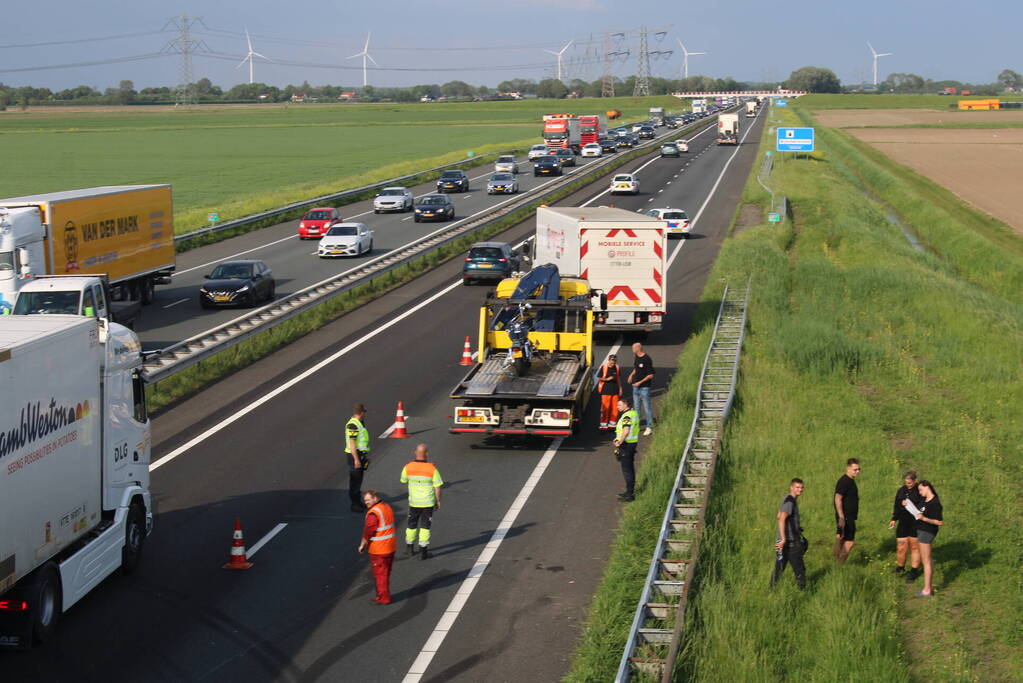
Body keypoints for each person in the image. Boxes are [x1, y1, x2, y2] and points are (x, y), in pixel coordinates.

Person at [400, 443, 444, 560]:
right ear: (427, 454)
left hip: (414, 502)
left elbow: (403, 480)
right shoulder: (432, 468)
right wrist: (438, 501)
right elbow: (438, 486)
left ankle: (409, 548)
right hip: (428, 503)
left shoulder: (408, 467)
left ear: (415, 452)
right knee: (425, 526)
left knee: (411, 525)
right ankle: (423, 552)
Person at [358, 490, 396, 605]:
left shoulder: (373, 513)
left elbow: (369, 530)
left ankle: (383, 598)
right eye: (365, 500)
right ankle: (384, 594)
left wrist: (362, 544)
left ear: (375, 498)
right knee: (386, 573)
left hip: (379, 550)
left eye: (368, 500)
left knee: (380, 575)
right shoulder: (386, 507)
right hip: (390, 547)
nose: (366, 503)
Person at [906, 479, 943, 597]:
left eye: (921, 490)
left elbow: (939, 522)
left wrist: (924, 519)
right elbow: (918, 511)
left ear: (927, 487)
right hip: (921, 531)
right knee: (926, 560)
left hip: (927, 532)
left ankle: (927, 590)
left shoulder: (935, 503)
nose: (920, 492)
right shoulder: (924, 500)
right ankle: (929, 586)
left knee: (926, 561)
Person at [771, 478, 806, 589]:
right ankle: (803, 592)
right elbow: (781, 519)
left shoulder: (786, 498)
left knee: (779, 568)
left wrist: (794, 526)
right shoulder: (790, 502)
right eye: (797, 487)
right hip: (790, 543)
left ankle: (772, 589)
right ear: (791, 487)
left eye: (801, 487)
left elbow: (778, 515)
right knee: (800, 570)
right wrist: (784, 539)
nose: (800, 490)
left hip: (783, 543)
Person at [889, 470, 923, 581]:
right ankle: (900, 567)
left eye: (910, 482)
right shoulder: (901, 491)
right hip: (903, 522)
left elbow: (923, 506)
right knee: (901, 547)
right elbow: (897, 505)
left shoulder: (919, 490)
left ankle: (914, 571)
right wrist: (894, 518)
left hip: (915, 522)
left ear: (914, 481)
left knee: (914, 546)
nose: (908, 484)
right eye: (906, 482)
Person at [833, 458, 861, 563]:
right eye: (855, 469)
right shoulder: (844, 481)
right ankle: (840, 565)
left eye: (859, 469)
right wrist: (841, 517)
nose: (857, 471)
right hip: (846, 517)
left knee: (840, 538)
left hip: (846, 516)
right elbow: (837, 498)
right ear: (848, 468)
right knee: (849, 542)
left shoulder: (849, 480)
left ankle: (835, 561)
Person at [612, 397, 639, 502]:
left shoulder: (627, 416)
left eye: (619, 405)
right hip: (631, 444)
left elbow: (626, 431)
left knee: (627, 471)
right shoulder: (634, 413)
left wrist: (619, 441)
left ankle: (629, 495)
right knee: (630, 469)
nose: (617, 407)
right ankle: (629, 491)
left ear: (625, 405)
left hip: (626, 445)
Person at [345, 404, 371, 512]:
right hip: (354, 455)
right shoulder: (353, 425)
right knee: (355, 481)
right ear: (361, 413)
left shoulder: (359, 423)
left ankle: (358, 502)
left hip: (360, 454)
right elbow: (352, 444)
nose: (365, 414)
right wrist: (356, 459)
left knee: (358, 480)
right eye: (364, 412)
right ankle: (354, 505)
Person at [627, 343, 655, 436]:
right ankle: (636, 426)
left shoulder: (647, 359)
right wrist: (631, 375)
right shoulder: (636, 357)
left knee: (647, 408)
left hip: (644, 388)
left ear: (638, 349)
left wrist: (640, 382)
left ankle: (649, 426)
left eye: (633, 348)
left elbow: (650, 375)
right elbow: (636, 368)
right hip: (635, 387)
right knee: (636, 408)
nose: (632, 350)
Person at [596, 354, 622, 430]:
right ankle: (603, 426)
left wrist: (620, 389)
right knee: (605, 409)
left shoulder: (617, 367)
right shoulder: (604, 367)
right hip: (606, 391)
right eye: (611, 362)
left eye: (614, 362)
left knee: (615, 409)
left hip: (615, 391)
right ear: (609, 360)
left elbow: (618, 379)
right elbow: (599, 378)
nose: (613, 363)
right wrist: (607, 379)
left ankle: (612, 425)